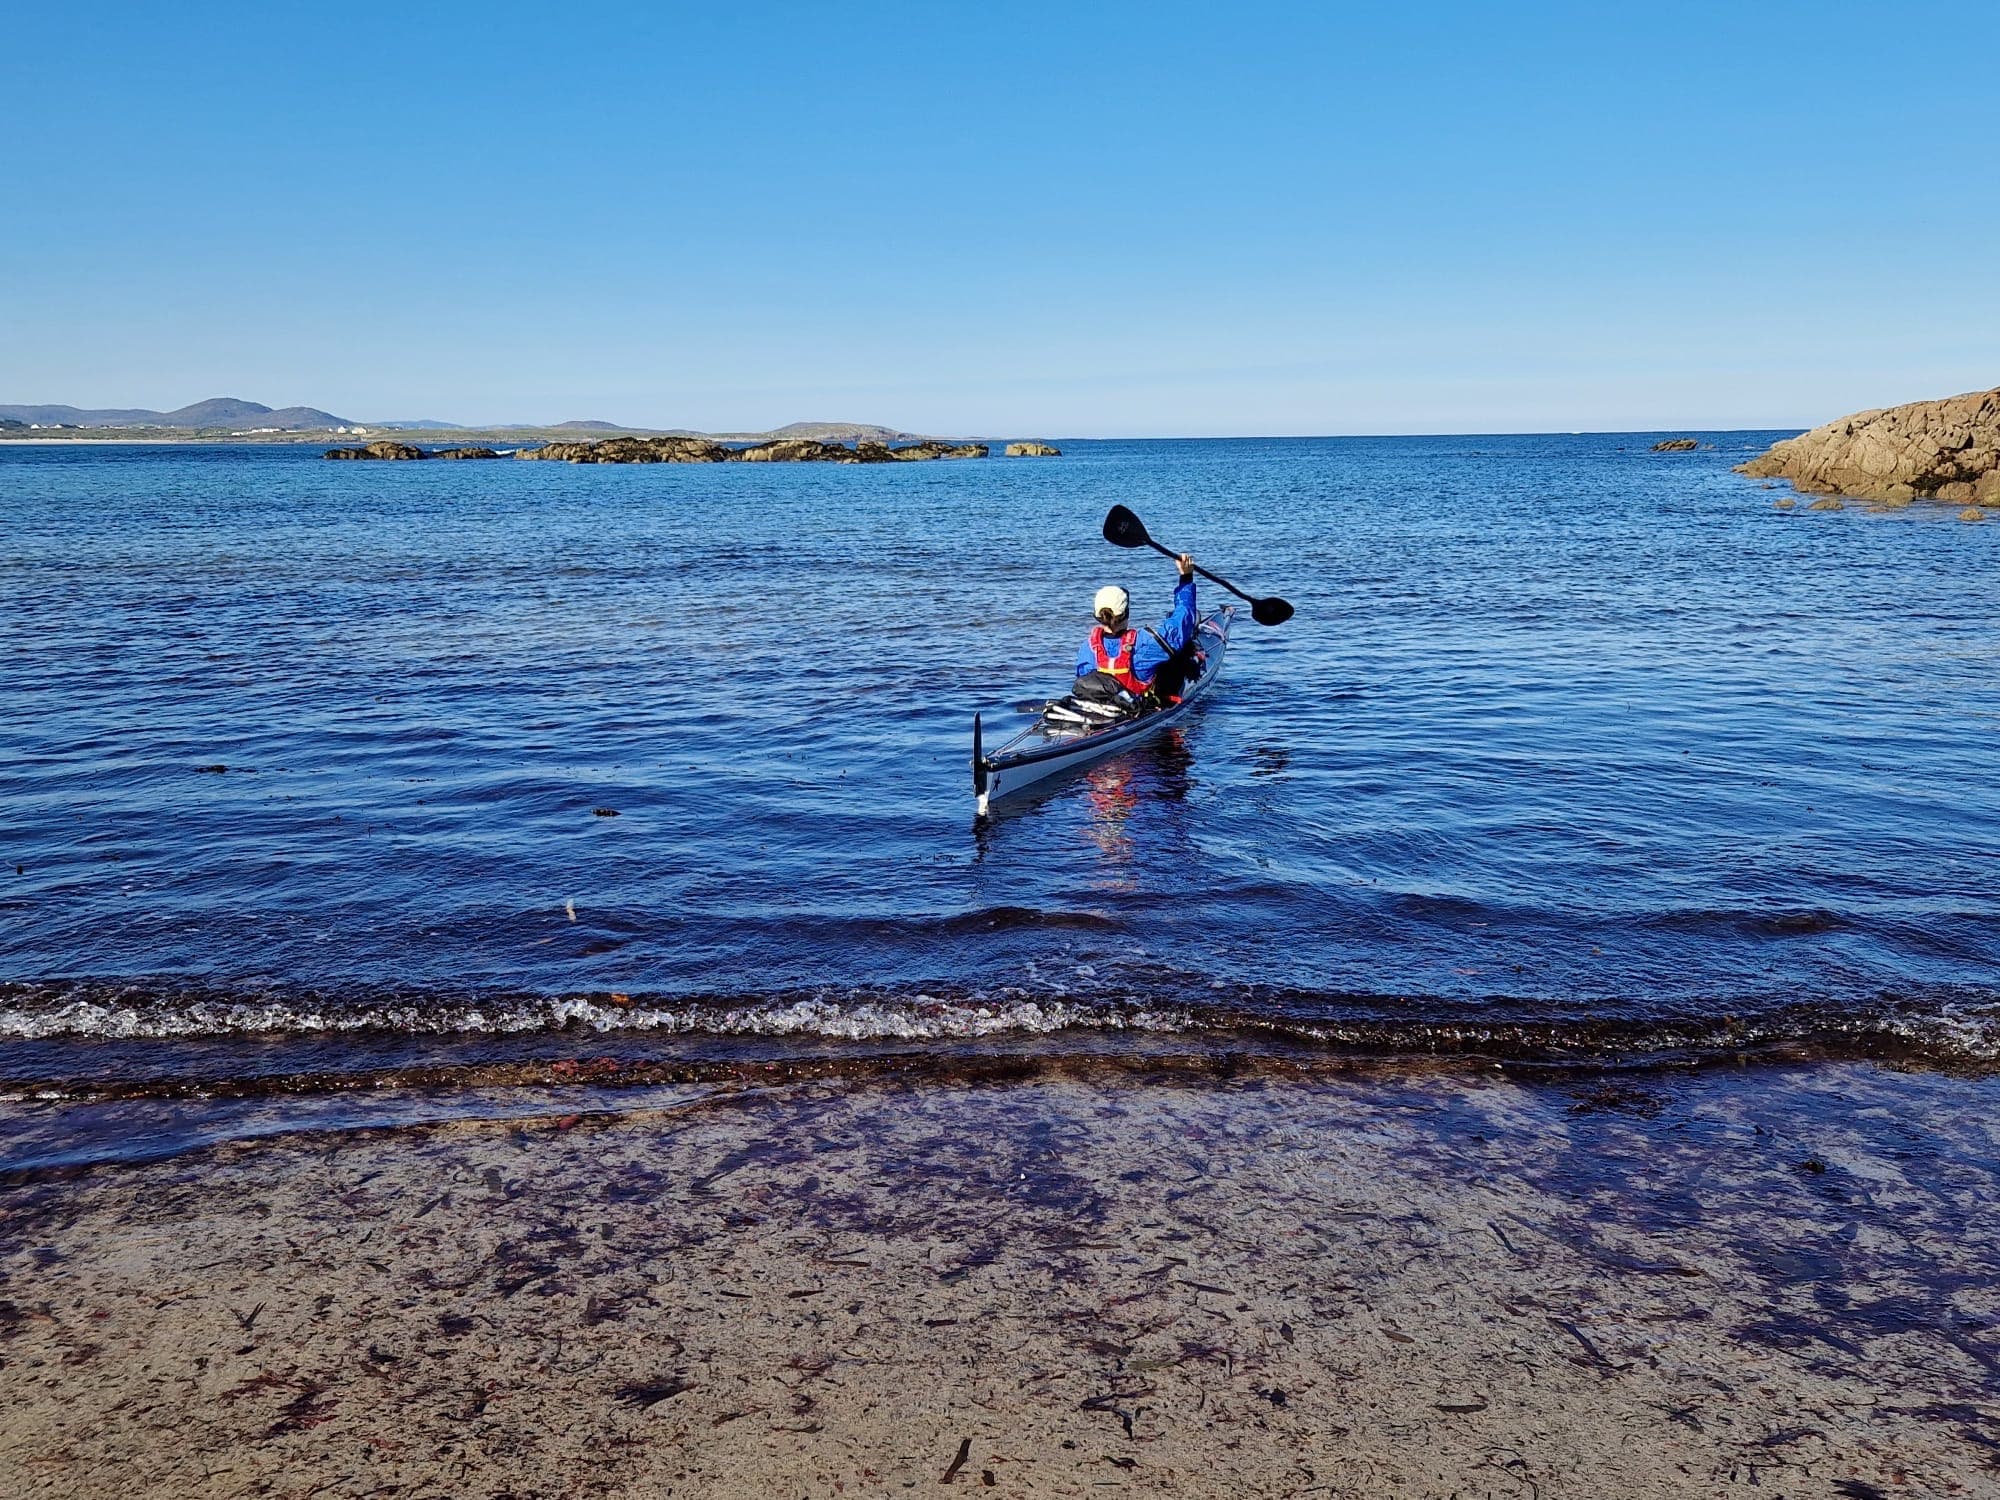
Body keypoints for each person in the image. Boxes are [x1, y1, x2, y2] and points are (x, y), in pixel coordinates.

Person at [1075, 552, 1200, 709]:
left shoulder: (1086, 649)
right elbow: (1183, 620)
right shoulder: (1144, 644)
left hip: (1098, 710)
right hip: (1134, 709)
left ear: (1096, 615)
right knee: (1176, 658)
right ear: (1126, 612)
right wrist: (1186, 578)